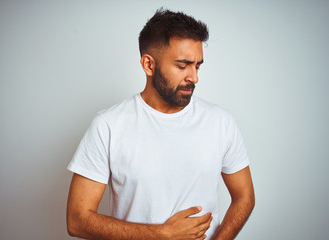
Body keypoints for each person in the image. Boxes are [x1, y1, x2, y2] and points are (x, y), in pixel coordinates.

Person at [66, 8, 255, 240]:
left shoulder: (220, 122)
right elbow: (77, 220)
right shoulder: (108, 125)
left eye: (197, 66)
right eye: (182, 65)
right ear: (148, 65)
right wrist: (160, 234)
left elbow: (245, 197)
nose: (194, 77)